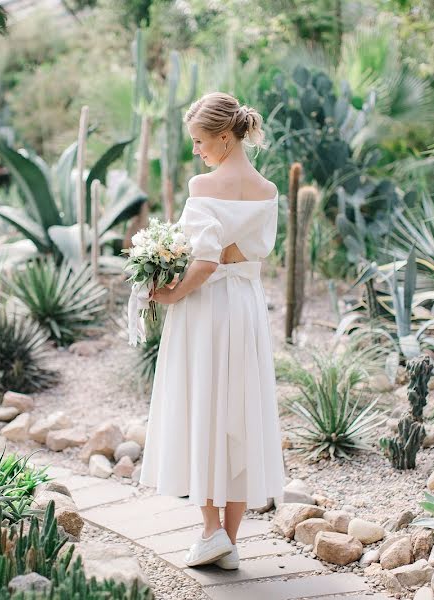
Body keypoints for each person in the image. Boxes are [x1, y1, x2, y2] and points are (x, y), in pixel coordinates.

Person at [138, 92, 287, 570]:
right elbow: (252, 253)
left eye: (200, 141)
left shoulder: (203, 186)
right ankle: (230, 542)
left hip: (205, 308)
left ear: (225, 137)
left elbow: (203, 262)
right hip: (244, 306)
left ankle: (210, 530)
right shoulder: (267, 190)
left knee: (202, 406)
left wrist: (170, 293)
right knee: (239, 412)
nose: (196, 151)